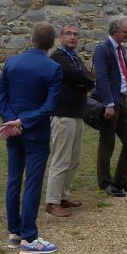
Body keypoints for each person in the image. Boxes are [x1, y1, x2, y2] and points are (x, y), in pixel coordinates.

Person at [0, 21, 64, 254]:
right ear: (52, 44)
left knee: (14, 180)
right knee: (32, 183)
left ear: (31, 39)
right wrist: (23, 121)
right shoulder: (53, 68)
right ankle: (29, 238)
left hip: (13, 132)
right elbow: (49, 106)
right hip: (35, 132)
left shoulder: (12, 62)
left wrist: (11, 120)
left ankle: (14, 233)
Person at [44, 23, 93, 217]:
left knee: (74, 159)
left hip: (76, 113)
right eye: (68, 34)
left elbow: (86, 77)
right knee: (61, 159)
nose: (72, 37)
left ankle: (63, 196)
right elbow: (78, 75)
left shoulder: (74, 57)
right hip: (63, 115)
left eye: (75, 34)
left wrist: (84, 81)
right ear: (61, 37)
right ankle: (52, 202)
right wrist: (84, 81)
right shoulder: (58, 57)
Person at [92, 15, 127, 197]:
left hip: (122, 101)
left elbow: (121, 75)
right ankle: (105, 183)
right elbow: (102, 79)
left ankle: (120, 180)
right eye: (125, 31)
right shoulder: (102, 50)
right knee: (107, 143)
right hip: (110, 103)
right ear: (115, 31)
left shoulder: (121, 50)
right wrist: (109, 104)